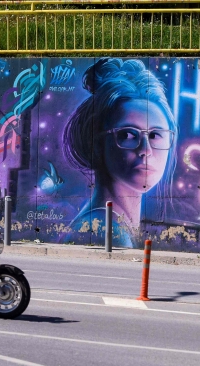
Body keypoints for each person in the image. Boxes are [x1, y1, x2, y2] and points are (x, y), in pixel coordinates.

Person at [62, 59, 179, 248]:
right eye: (128, 134)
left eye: (156, 135)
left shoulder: (108, 223)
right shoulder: (106, 231)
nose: (146, 151)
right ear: (97, 143)